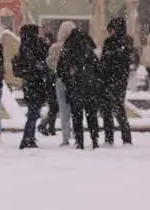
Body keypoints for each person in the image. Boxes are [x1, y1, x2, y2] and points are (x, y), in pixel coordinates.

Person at [58, 27, 101, 150]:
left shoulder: (67, 51)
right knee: (91, 115)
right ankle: (94, 139)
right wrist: (94, 82)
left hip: (74, 89)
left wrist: (69, 81)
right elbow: (98, 70)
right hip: (90, 89)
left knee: (77, 116)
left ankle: (79, 140)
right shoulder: (90, 53)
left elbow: (60, 71)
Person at [11, 24, 51, 149]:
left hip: (29, 83)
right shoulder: (35, 45)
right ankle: (27, 138)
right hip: (37, 83)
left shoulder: (24, 46)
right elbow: (42, 61)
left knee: (33, 111)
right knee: (34, 112)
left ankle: (30, 137)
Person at [99, 17, 137, 146]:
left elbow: (105, 61)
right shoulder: (127, 42)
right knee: (117, 109)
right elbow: (130, 61)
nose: (110, 32)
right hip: (119, 80)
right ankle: (125, 138)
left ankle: (110, 138)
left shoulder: (113, 42)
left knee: (110, 110)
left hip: (110, 79)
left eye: (111, 30)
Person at [46, 21, 75, 146]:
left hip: (60, 80)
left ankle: (65, 137)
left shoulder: (54, 48)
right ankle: (77, 133)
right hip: (74, 81)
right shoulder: (76, 47)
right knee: (76, 110)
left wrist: (57, 69)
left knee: (64, 111)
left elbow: (49, 63)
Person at [38, 29, 59, 137]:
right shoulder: (49, 49)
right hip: (51, 80)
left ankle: (50, 126)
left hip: (49, 80)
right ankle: (45, 125)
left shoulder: (47, 49)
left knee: (54, 106)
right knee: (54, 106)